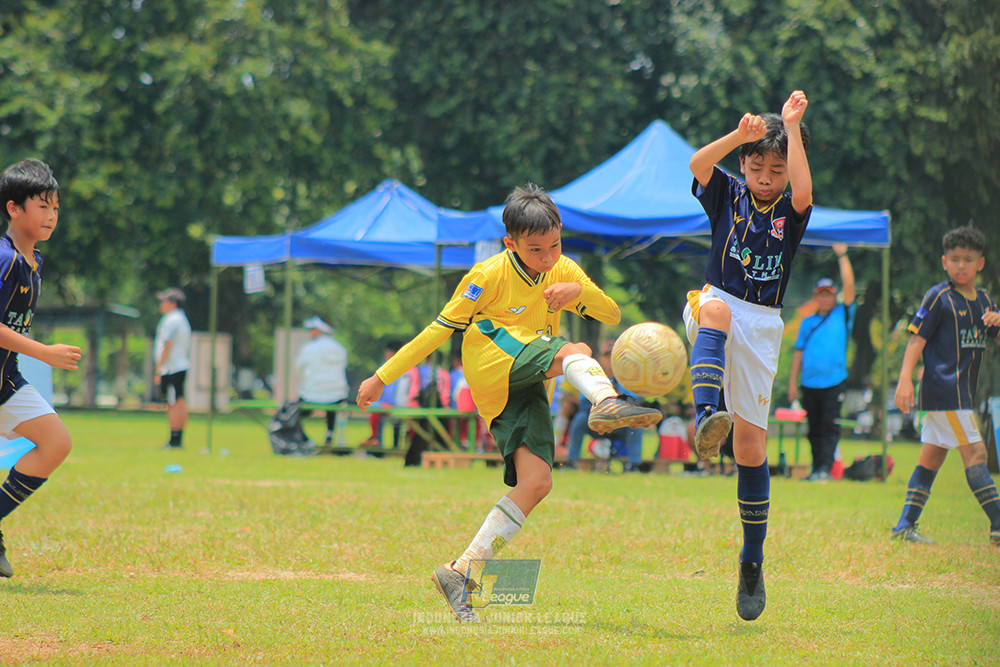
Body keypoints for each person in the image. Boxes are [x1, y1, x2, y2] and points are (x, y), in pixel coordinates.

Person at [355, 183, 661, 622]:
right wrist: (380, 378)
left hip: (528, 386)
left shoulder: (564, 269)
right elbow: (437, 331)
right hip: (491, 364)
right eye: (536, 250)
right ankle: (608, 401)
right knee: (576, 350)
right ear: (510, 243)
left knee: (537, 482)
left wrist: (579, 294)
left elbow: (610, 313)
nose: (548, 258)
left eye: (555, 245)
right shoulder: (486, 276)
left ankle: (461, 572)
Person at [683, 91, 812, 621]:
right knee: (715, 315)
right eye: (757, 166)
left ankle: (752, 562)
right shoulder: (727, 192)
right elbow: (696, 164)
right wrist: (740, 134)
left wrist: (789, 126)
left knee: (753, 449)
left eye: (774, 169)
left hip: (764, 323)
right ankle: (705, 415)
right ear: (744, 165)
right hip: (717, 301)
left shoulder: (790, 209)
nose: (765, 176)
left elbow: (805, 189)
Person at [891, 225, 1000, 546]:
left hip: (964, 394)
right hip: (944, 391)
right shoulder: (938, 296)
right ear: (944, 262)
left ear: (980, 263)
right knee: (977, 453)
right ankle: (998, 522)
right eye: (954, 259)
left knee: (931, 458)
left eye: (968, 259)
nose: (961, 266)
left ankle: (904, 526)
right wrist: (905, 380)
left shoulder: (984, 300)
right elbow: (916, 341)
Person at [0, 158, 82, 578]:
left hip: (5, 381)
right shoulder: (5, 259)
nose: (51, 216)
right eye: (42, 207)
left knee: (56, 443)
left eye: (55, 208)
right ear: (14, 208)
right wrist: (44, 351)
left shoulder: (35, 261)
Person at [787, 243, 856, 481]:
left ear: (833, 296)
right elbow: (798, 353)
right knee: (814, 428)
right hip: (809, 383)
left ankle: (825, 469)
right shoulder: (807, 323)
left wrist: (842, 255)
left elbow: (849, 287)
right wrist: (792, 383)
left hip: (834, 381)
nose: (825, 298)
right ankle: (816, 468)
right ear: (816, 297)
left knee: (829, 427)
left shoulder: (842, 315)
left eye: (829, 293)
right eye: (821, 294)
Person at [565, 340, 647, 472]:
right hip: (596, 421)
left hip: (621, 422)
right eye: (606, 355)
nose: (610, 359)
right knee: (580, 419)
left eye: (614, 355)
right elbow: (585, 404)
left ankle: (633, 465)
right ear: (600, 358)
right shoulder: (591, 375)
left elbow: (635, 403)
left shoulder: (629, 377)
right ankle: (571, 460)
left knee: (636, 425)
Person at [294, 316, 348, 447]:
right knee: (332, 407)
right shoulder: (339, 348)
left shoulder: (308, 348)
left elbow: (298, 367)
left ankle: (305, 440)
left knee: (293, 414)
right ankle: (329, 435)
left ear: (319, 330)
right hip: (337, 394)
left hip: (311, 394)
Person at [154, 287, 192, 449]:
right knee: (179, 401)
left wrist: (158, 368)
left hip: (172, 368)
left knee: (173, 403)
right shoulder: (181, 319)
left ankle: (175, 440)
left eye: (164, 301)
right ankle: (178, 438)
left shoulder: (172, 320)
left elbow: (166, 345)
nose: (161, 304)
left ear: (173, 303)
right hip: (179, 366)